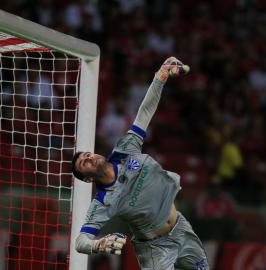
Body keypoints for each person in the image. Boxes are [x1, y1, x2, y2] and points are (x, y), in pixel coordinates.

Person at [72, 57, 209, 270]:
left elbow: (144, 114)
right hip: (155, 248)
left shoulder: (124, 151)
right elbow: (80, 242)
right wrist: (98, 244)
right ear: (88, 178)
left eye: (87, 154)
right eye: (84, 163)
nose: (89, 158)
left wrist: (160, 78)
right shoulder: (103, 202)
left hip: (181, 227)